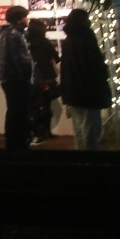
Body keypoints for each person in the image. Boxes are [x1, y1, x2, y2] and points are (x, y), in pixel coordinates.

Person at [59, 8, 113, 151]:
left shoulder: (68, 40)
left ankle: (81, 158)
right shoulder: (86, 38)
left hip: (73, 92)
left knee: (79, 130)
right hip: (88, 92)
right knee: (90, 129)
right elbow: (93, 66)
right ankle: (90, 159)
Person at [0, 5, 33, 150]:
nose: (27, 19)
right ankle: (16, 144)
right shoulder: (13, 34)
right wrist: (25, 76)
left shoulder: (11, 33)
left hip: (12, 78)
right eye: (25, 17)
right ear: (19, 19)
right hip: (15, 79)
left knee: (16, 111)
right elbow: (16, 58)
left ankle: (16, 142)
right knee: (17, 111)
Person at [25, 18, 60, 144]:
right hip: (47, 77)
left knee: (34, 106)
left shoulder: (26, 43)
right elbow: (56, 58)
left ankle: (37, 133)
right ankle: (46, 131)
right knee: (46, 105)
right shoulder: (45, 43)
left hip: (32, 78)